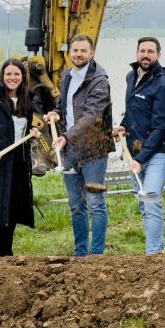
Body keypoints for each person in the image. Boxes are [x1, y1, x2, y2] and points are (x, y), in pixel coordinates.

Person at [46, 34, 113, 257]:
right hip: (70, 151)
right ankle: (81, 253)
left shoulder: (99, 81)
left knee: (95, 203)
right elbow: (63, 106)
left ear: (92, 53)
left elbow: (90, 116)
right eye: (75, 50)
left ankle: (96, 255)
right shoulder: (66, 76)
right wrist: (55, 114)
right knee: (76, 205)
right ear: (69, 53)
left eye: (83, 51)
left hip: (93, 150)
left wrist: (65, 136)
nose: (78, 54)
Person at [0, 57, 41, 256]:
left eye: (16, 74)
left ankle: (7, 255)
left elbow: (25, 127)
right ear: (2, 76)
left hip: (18, 164)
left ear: (23, 76)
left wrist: (33, 131)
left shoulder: (27, 97)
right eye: (8, 74)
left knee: (11, 210)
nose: (12, 78)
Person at [116, 36, 165, 255]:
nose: (146, 55)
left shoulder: (164, 85)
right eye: (142, 51)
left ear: (158, 55)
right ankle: (155, 247)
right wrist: (123, 126)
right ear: (136, 53)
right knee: (143, 203)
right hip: (136, 151)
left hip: (158, 151)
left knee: (150, 199)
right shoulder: (131, 77)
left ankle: (154, 255)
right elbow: (134, 112)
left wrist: (140, 160)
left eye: (151, 51)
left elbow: (161, 126)